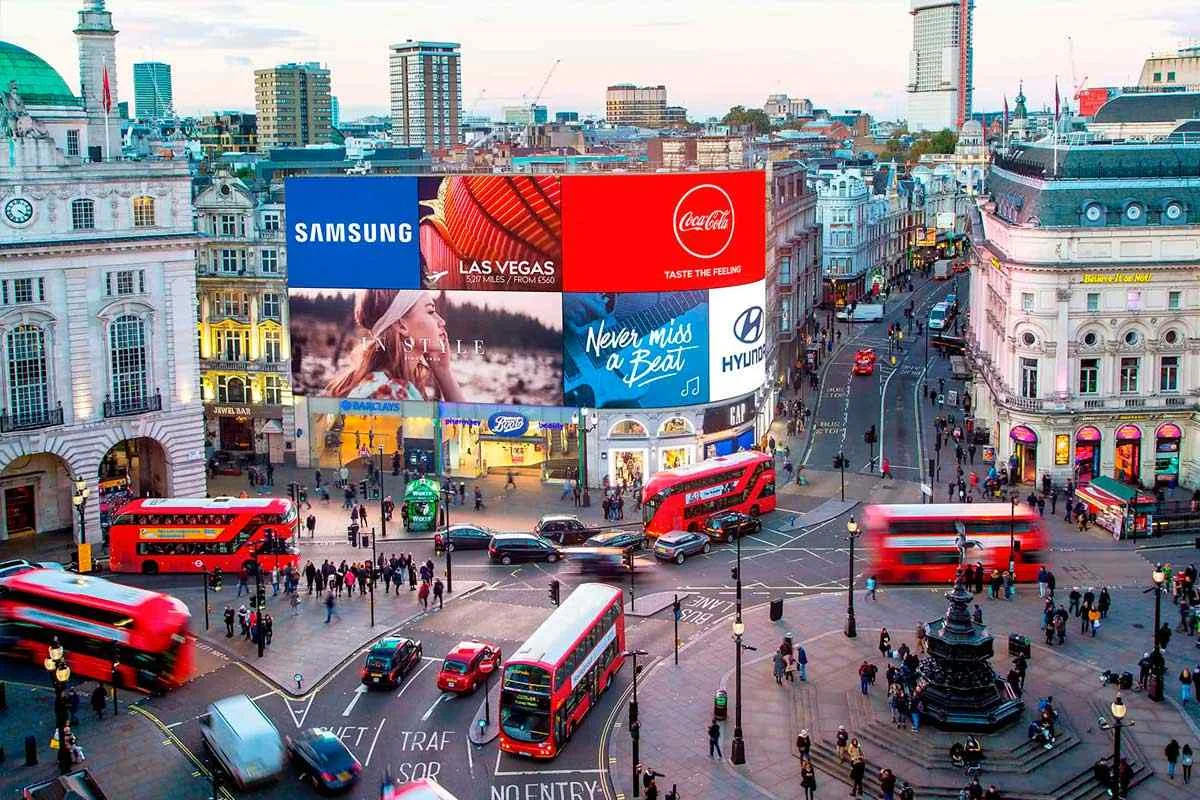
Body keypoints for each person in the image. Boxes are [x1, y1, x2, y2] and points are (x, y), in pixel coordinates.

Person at [326, 290, 466, 401]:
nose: (441, 322)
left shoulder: (390, 387)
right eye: (430, 312)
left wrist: (443, 370)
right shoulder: (387, 395)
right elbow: (467, 434)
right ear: (401, 325)